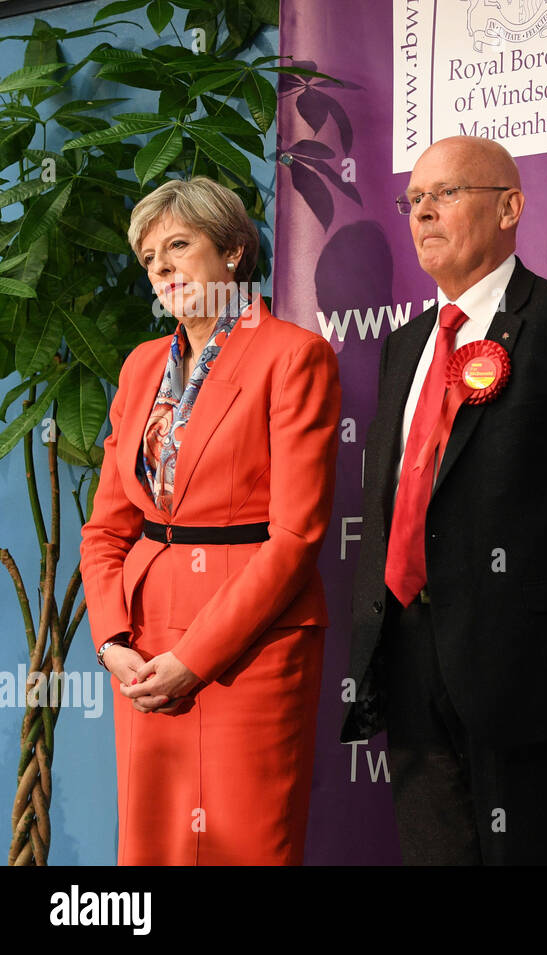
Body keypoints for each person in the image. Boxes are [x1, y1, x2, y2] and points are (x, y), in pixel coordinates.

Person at [342, 136, 547, 865]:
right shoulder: (404, 345)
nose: (423, 213)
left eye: (445, 194)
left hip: (530, 677)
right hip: (407, 663)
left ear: (509, 206)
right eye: (413, 200)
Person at [80, 176, 341, 865]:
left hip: (250, 645)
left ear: (232, 250)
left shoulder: (294, 356)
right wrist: (111, 641)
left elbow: (295, 538)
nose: (160, 269)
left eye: (178, 246)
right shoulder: (139, 368)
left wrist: (194, 659)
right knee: (153, 847)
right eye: (148, 258)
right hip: (140, 647)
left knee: (246, 842)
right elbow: (105, 530)